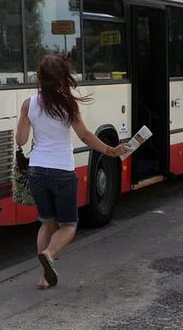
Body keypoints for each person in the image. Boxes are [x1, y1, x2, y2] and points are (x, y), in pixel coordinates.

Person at [15, 53, 128, 289]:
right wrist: (110, 150)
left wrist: (26, 122)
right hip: (62, 171)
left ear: (40, 77)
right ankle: (49, 255)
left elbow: (21, 139)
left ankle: (44, 277)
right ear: (62, 77)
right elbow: (85, 136)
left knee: (47, 223)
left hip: (37, 171)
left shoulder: (29, 103)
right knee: (68, 225)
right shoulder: (69, 105)